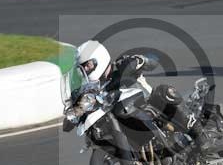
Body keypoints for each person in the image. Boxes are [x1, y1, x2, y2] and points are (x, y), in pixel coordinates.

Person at [71, 40, 212, 153]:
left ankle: (199, 135)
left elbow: (154, 60)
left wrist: (141, 60)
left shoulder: (121, 65)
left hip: (150, 105)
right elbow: (78, 111)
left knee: (163, 91)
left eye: (87, 66)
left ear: (98, 58)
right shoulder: (95, 89)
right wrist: (74, 114)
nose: (86, 70)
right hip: (127, 121)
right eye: (83, 68)